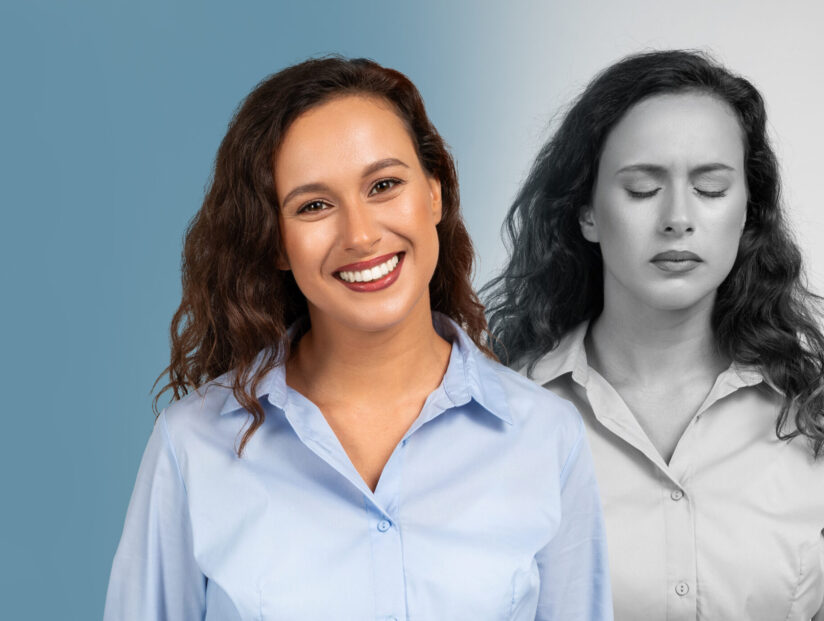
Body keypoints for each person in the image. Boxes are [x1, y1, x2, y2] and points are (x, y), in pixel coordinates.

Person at [105, 57, 611, 621]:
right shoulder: (192, 446)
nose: (361, 234)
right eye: (314, 205)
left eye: (384, 185)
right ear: (275, 242)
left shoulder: (546, 437)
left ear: (435, 194)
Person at [483, 50, 824, 620]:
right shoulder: (504, 420)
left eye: (710, 189)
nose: (678, 217)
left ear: (748, 212)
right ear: (586, 213)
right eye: (640, 190)